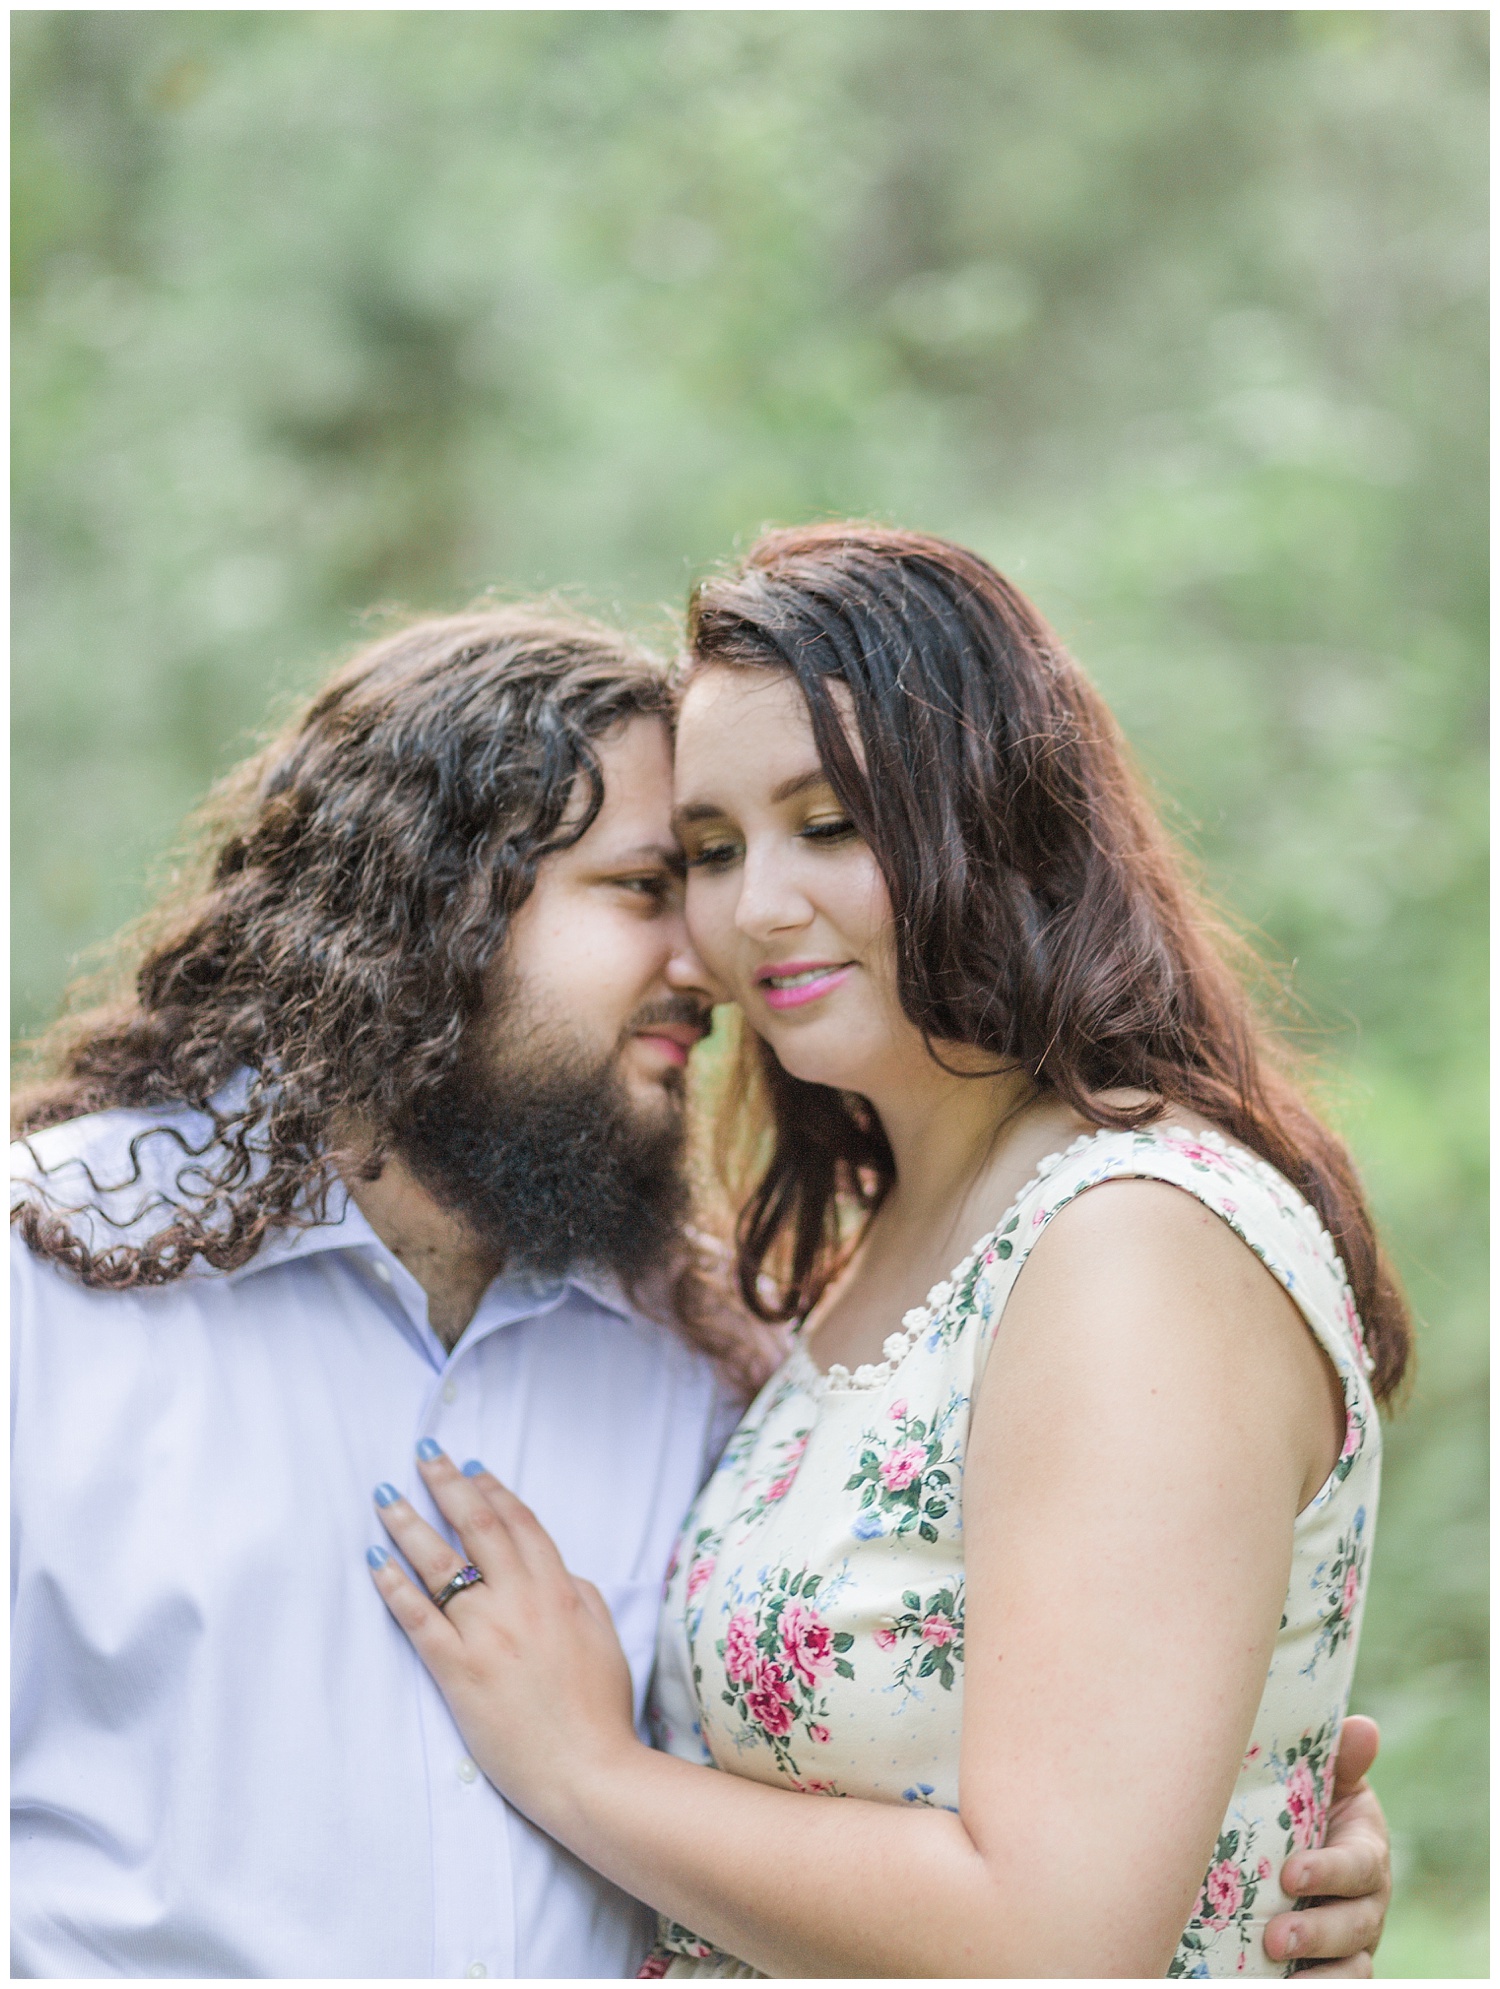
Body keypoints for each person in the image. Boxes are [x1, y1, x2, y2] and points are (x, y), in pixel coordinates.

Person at [364, 526, 1398, 1977]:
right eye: (713, 850)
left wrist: (589, 1768)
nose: (757, 906)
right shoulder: (886, 1243)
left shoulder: (1131, 1243)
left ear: (995, 808)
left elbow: (1055, 1936)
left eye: (830, 821)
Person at [10, 608, 769, 1978]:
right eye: (646, 887)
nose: (709, 964)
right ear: (436, 898)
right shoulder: (40, 1272)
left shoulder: (698, 1352)